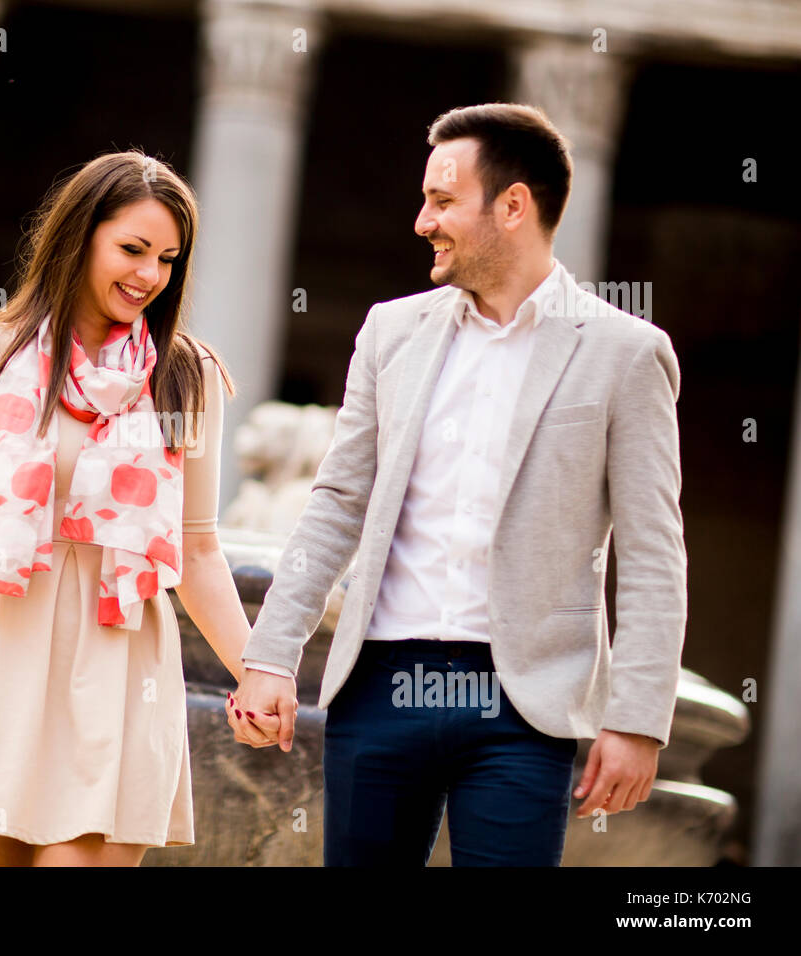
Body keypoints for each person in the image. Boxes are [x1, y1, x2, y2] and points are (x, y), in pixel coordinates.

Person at [228, 103, 687, 866]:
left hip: (524, 703)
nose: (421, 221)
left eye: (442, 202)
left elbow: (652, 551)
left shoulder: (626, 353)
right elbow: (337, 504)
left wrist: (638, 717)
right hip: (379, 684)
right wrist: (271, 656)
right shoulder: (389, 332)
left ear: (513, 206)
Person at [0, 150, 276, 866]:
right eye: (131, 249)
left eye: (167, 259)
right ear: (80, 236)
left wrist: (258, 670)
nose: (149, 274)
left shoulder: (186, 378)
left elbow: (199, 549)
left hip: (116, 672)